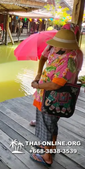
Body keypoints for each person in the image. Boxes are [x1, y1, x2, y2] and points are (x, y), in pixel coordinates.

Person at [30, 29, 82, 167]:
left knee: (46, 124)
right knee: (50, 123)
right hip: (46, 95)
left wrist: (37, 85)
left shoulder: (69, 60)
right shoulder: (60, 53)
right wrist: (39, 76)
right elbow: (44, 60)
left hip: (51, 97)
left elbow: (54, 85)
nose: (55, 46)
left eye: (58, 44)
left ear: (66, 46)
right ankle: (51, 147)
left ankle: (46, 157)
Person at [30, 22, 83, 126]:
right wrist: (38, 74)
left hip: (57, 91)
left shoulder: (74, 56)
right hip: (46, 86)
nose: (58, 48)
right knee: (46, 120)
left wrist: (38, 85)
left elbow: (73, 74)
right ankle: (45, 129)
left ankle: (48, 138)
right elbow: (43, 58)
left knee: (50, 119)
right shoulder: (53, 46)